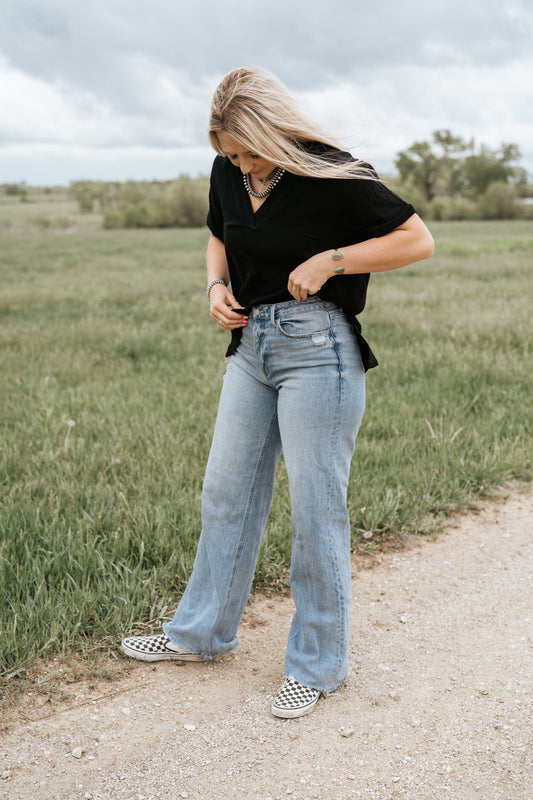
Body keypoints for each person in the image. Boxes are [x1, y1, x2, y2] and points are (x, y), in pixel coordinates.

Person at [122, 66, 434, 719]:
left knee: (316, 512)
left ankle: (317, 666)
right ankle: (201, 634)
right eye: (229, 154)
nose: (240, 164)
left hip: (319, 351)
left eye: (248, 152)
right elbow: (218, 234)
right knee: (225, 494)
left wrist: (332, 261)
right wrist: (215, 286)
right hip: (251, 349)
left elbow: (416, 239)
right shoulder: (228, 173)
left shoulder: (332, 172)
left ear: (272, 131)